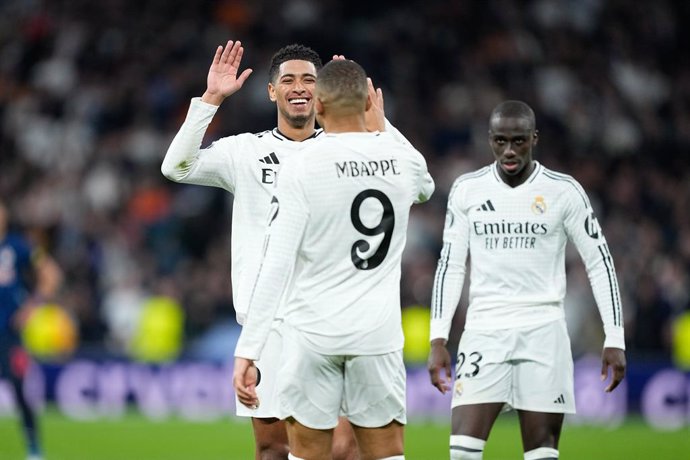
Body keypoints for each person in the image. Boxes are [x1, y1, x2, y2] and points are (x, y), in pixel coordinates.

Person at [161, 41, 409, 460]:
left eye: (311, 80)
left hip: (331, 318)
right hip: (269, 323)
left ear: (324, 92)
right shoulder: (245, 151)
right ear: (272, 91)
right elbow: (176, 167)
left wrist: (369, 112)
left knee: (344, 447)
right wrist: (211, 99)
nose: (300, 88)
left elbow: (411, 175)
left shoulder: (349, 153)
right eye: (289, 80)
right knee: (273, 448)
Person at [233, 58, 434, 460]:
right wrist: (384, 125)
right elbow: (425, 185)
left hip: (313, 335)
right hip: (377, 335)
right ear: (368, 104)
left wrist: (249, 349)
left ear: (318, 106)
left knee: (307, 454)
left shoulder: (301, 165)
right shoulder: (403, 162)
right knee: (386, 454)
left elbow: (277, 263)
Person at [427, 100, 626, 460]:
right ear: (489, 139)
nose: (509, 151)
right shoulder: (467, 189)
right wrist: (437, 337)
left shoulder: (563, 191)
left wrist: (615, 337)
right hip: (484, 330)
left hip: (544, 332)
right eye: (500, 141)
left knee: (541, 454)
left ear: (534, 139)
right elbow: (450, 265)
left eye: (518, 141)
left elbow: (600, 263)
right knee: (461, 452)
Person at [0, 199, 62, 460]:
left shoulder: (17, 246)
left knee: (18, 387)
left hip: (8, 333)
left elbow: (51, 274)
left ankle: (33, 446)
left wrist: (32, 307)